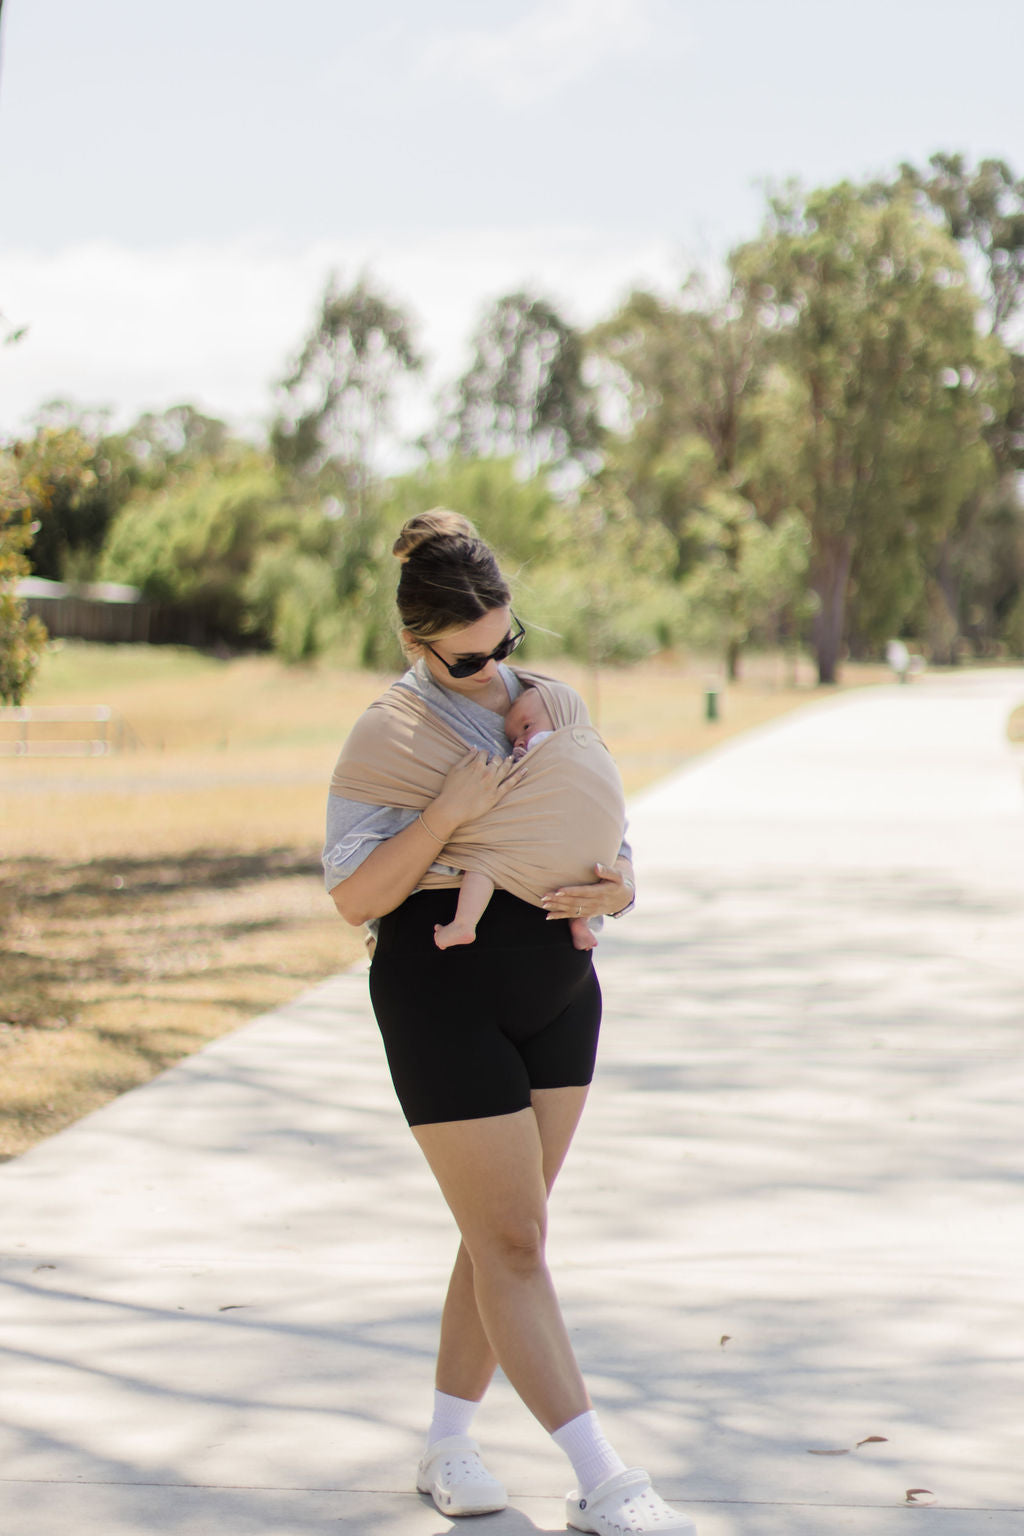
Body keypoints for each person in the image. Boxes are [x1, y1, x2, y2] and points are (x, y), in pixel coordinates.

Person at [323, 509, 697, 1536]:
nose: (491, 669)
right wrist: (445, 815)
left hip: (561, 992)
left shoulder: (546, 703)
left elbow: (599, 823)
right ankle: (604, 1480)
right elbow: (354, 896)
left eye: (505, 643)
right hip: (443, 993)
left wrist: (621, 886)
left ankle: (448, 1442)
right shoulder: (387, 734)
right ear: (415, 643)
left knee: (500, 1238)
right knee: (515, 1242)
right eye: (466, 658)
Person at [433, 686, 604, 953]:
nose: (520, 741)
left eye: (526, 727)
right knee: (581, 880)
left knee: (483, 862)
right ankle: (580, 923)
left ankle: (464, 922)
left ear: (561, 716)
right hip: (575, 849)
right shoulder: (590, 753)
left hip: (535, 840)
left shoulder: (549, 744)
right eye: (513, 738)